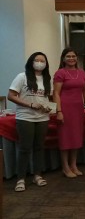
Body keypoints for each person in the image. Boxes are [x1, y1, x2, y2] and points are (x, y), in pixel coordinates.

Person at [8, 52, 52, 192]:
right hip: (25, 117)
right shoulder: (22, 76)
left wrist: (49, 107)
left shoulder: (47, 78)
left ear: (46, 64)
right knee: (25, 148)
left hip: (42, 118)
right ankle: (21, 178)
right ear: (31, 62)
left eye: (42, 61)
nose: (40, 63)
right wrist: (30, 105)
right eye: (37, 60)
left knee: (39, 147)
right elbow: (11, 95)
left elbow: (47, 98)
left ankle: (37, 175)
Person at [53, 48, 85, 178]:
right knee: (65, 138)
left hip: (78, 109)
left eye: (73, 56)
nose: (71, 58)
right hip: (65, 109)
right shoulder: (60, 73)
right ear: (63, 58)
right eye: (68, 56)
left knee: (76, 137)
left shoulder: (81, 73)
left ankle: (73, 165)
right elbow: (56, 93)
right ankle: (65, 167)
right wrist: (59, 111)